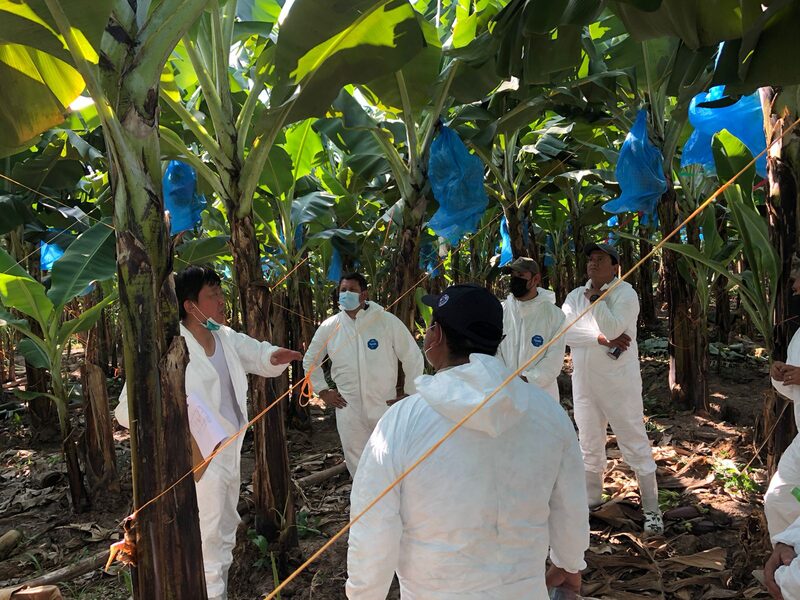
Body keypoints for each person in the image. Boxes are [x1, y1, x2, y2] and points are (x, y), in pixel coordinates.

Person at [346, 284, 590, 599]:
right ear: (498, 342)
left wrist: (364, 594)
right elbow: (569, 501)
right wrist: (569, 563)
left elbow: (373, 523)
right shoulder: (546, 412)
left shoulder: (402, 420)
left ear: (435, 337)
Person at [115, 266, 301, 600]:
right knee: (207, 538)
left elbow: (257, 353)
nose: (220, 301)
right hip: (198, 458)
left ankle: (218, 592)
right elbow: (128, 410)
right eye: (212, 295)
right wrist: (180, 425)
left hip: (229, 451)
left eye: (220, 293)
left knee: (225, 532)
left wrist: (276, 356)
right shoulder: (171, 347)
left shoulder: (224, 337)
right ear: (190, 305)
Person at [562, 242, 663, 536]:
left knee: (634, 441)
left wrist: (597, 301)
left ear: (615, 266)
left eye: (600, 259)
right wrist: (600, 340)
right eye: (590, 259)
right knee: (589, 442)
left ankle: (652, 509)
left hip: (619, 385)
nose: (593, 264)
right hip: (585, 384)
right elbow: (566, 332)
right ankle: (592, 501)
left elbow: (616, 328)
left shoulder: (625, 294)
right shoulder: (573, 296)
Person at [303, 272, 424, 477]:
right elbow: (310, 360)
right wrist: (323, 391)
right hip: (348, 406)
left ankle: (390, 503)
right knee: (356, 460)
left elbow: (412, 355)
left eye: (352, 290)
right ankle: (363, 504)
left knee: (389, 457)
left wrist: (410, 393)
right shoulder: (331, 326)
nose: (346, 294)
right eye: (343, 290)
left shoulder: (385, 320)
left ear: (364, 294)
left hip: (384, 405)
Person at [498, 256, 566, 401]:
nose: (515, 279)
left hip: (541, 395)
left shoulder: (554, 315)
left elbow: (554, 359)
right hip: (505, 393)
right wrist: (505, 380)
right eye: (513, 275)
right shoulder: (500, 311)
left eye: (521, 275)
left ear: (535, 279)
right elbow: (493, 350)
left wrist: (526, 379)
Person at [765, 275, 800, 547]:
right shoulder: (799, 335)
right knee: (779, 500)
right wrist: (780, 376)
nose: (794, 282)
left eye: (799, 274)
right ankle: (787, 570)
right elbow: (792, 392)